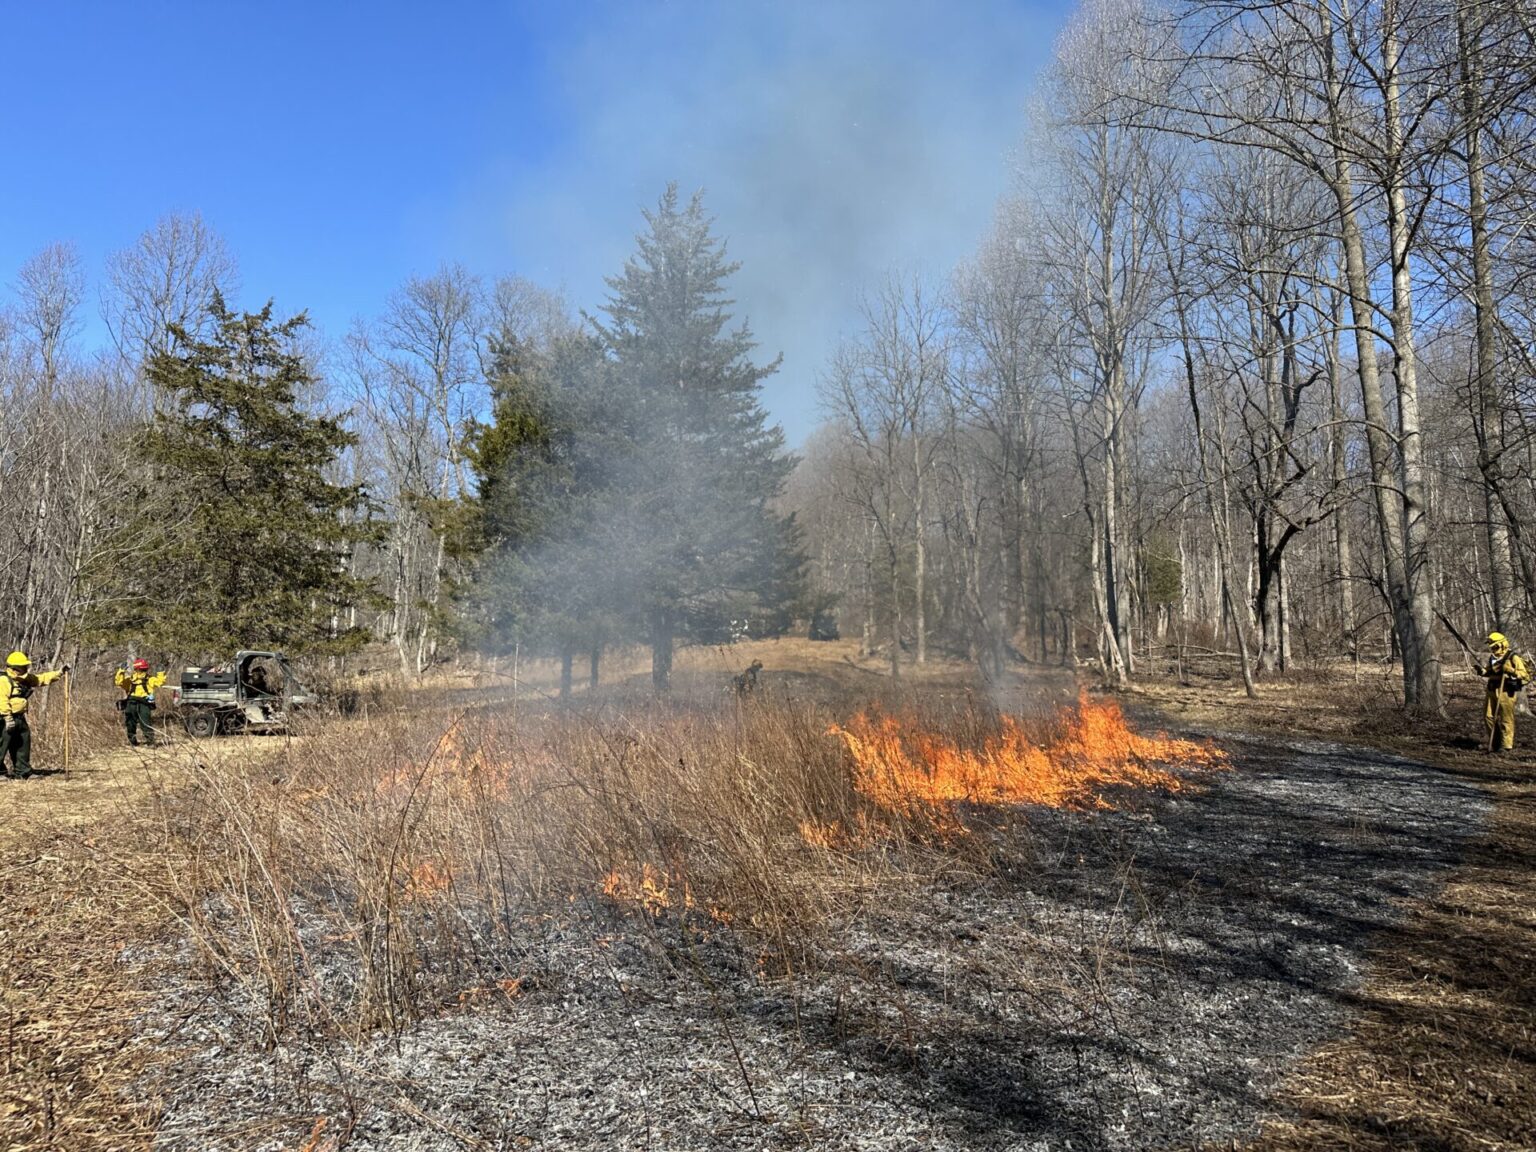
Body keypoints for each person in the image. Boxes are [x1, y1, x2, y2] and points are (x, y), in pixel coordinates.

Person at [0, 651, 67, 780]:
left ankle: (22, 771)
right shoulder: (3, 680)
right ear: (14, 667)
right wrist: (8, 719)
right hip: (4, 719)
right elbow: (1, 701)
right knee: (2, 745)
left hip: (19, 717)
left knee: (22, 743)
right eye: (23, 666)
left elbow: (41, 679)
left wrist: (59, 673)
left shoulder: (24, 678)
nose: (26, 668)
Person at [1475, 632, 1530, 753]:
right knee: (1488, 716)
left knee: (1506, 718)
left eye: (1495, 646)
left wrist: (1510, 670)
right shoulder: (1493, 658)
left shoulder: (1512, 657)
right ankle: (1495, 742)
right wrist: (1482, 671)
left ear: (1502, 644)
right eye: (1491, 647)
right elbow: (1490, 670)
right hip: (1491, 689)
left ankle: (1506, 746)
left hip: (1505, 690)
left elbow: (1525, 675)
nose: (1493, 649)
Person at [115, 657, 167, 747]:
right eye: (141, 669)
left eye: (144, 669)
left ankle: (150, 742)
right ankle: (132, 742)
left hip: (144, 704)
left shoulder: (150, 679)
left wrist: (160, 673)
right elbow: (119, 682)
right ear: (136, 669)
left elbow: (160, 682)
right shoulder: (130, 680)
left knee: (146, 723)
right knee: (130, 723)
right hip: (131, 703)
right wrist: (121, 671)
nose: (142, 671)